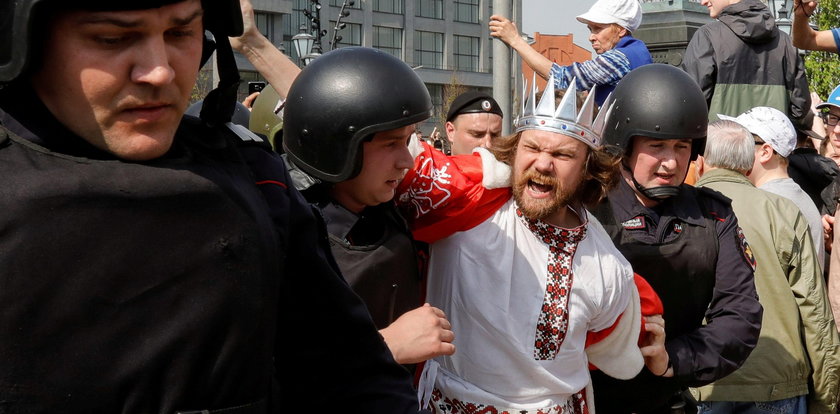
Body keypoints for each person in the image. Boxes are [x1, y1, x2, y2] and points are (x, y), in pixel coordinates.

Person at [0, 0, 425, 412]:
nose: (160, 70)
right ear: (26, 41)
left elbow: (351, 374)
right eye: (112, 38)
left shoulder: (255, 178)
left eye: (181, 32)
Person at [395, 77, 669, 413]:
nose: (542, 163)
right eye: (532, 148)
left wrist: (649, 331)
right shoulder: (471, 198)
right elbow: (399, 164)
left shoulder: (606, 264)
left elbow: (613, 342)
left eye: (562, 154)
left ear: (586, 168)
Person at [588, 64, 763, 414]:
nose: (670, 162)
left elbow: (740, 316)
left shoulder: (713, 217)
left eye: (681, 147)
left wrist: (673, 358)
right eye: (657, 146)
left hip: (666, 396)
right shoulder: (586, 210)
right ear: (625, 145)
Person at [279, 46, 456, 366]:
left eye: (408, 141)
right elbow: (266, 369)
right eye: (391, 144)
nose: (407, 160)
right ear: (336, 147)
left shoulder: (388, 207)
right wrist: (385, 347)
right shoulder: (284, 239)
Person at [692, 120, 840, 414]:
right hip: (777, 381)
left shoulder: (679, 211)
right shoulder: (783, 211)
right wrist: (826, 398)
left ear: (700, 162)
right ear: (748, 163)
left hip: (702, 381)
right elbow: (814, 312)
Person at [718, 107, 825, 270]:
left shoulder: (764, 203)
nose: (733, 150)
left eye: (741, 143)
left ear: (765, 152)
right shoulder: (798, 197)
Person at [489, 0, 652, 106]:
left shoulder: (618, 59)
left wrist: (515, 40)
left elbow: (564, 78)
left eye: (598, 29)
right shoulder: (638, 52)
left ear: (621, 30)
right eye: (590, 29)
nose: (591, 37)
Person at [682, 0, 811, 127]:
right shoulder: (786, 42)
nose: (703, 2)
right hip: (771, 145)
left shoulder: (707, 36)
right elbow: (800, 107)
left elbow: (691, 105)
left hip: (723, 144)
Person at [443, 91, 504, 155]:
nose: (488, 145)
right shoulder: (434, 164)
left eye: (495, 135)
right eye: (477, 134)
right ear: (451, 132)